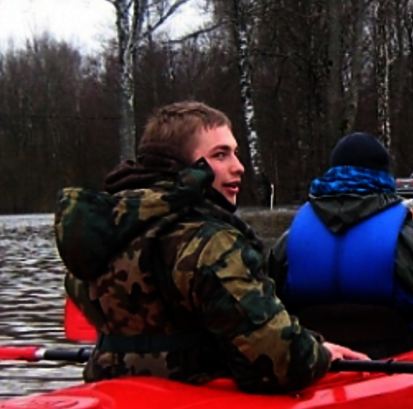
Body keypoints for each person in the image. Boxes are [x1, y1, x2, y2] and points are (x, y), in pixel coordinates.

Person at [53, 101, 367, 393]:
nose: (238, 166)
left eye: (235, 153)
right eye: (220, 155)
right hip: (195, 401)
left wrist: (310, 343)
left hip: (113, 394)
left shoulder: (100, 237)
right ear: (183, 168)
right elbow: (279, 362)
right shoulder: (212, 243)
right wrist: (318, 355)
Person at [268, 132, 413, 358]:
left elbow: (265, 317)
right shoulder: (409, 238)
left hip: (317, 364)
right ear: (384, 176)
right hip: (402, 362)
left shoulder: (289, 242)